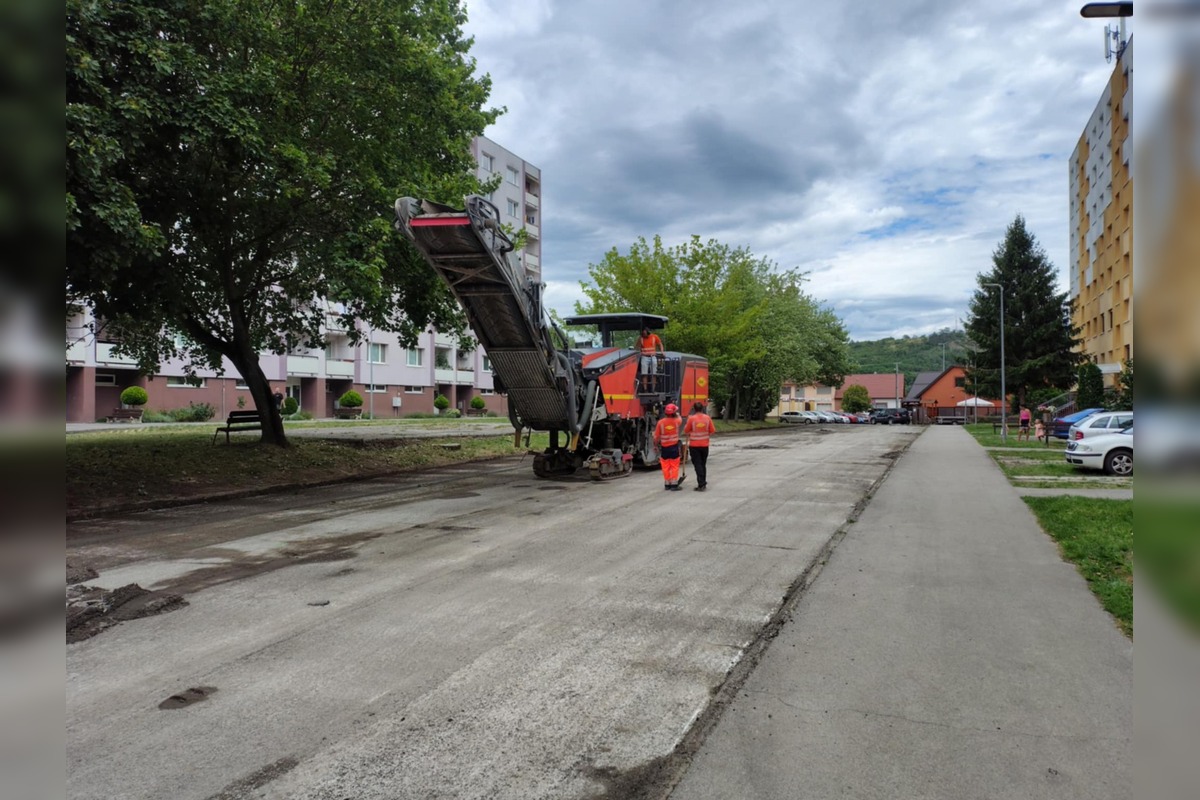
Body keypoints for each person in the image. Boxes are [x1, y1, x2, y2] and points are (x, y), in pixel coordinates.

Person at [683, 400, 715, 492]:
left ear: (694, 409)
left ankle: (701, 483)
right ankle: (703, 481)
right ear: (702, 408)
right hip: (704, 445)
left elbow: (686, 430)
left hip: (694, 445)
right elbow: (712, 430)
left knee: (697, 464)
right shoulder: (707, 418)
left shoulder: (691, 419)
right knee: (703, 464)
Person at [654, 403, 684, 490]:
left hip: (664, 447)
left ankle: (667, 483)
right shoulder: (677, 421)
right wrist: (677, 413)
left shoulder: (660, 423)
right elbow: (680, 418)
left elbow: (656, 437)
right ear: (674, 412)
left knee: (665, 466)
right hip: (674, 447)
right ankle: (674, 484)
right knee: (674, 466)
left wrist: (655, 446)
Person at [638, 326, 664, 392]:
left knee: (654, 373)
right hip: (644, 357)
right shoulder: (641, 338)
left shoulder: (654, 337)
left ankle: (653, 389)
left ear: (648, 332)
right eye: (642, 333)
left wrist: (662, 352)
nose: (643, 335)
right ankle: (645, 389)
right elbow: (637, 347)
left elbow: (660, 344)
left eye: (644, 333)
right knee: (644, 374)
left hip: (653, 357)